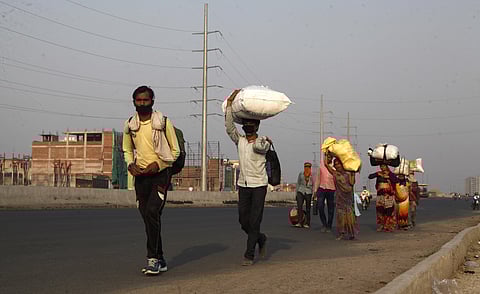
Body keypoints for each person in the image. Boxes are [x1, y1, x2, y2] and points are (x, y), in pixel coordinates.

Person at [123, 85, 180, 275]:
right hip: (141, 178)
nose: (142, 103)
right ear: (134, 102)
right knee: (149, 218)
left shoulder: (163, 122)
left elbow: (175, 151)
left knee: (152, 212)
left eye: (145, 100)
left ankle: (153, 259)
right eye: (138, 101)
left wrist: (159, 164)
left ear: (152, 101)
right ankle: (161, 258)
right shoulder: (130, 124)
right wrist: (130, 164)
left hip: (160, 176)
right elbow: (127, 150)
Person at [225, 89, 271, 266]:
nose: (248, 127)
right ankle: (261, 238)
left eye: (251, 125)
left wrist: (264, 139)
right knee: (243, 220)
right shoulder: (241, 141)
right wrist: (230, 105)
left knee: (254, 220)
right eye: (246, 125)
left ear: (257, 127)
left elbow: (260, 147)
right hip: (243, 185)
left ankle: (249, 254)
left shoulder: (263, 142)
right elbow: (230, 128)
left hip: (259, 185)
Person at [324, 155, 358, 240]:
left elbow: (352, 183)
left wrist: (353, 174)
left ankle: (351, 233)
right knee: (340, 215)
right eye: (336, 164)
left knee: (349, 215)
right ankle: (341, 233)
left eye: (339, 164)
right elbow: (326, 164)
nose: (337, 165)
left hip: (348, 197)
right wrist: (327, 154)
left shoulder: (348, 173)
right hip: (339, 197)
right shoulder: (335, 173)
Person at [368, 164, 399, 232]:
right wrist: (377, 174)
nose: (382, 167)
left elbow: (396, 180)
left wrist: (388, 177)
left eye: (384, 166)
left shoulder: (391, 174)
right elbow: (370, 176)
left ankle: (388, 225)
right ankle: (381, 225)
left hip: (388, 195)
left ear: (387, 167)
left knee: (389, 210)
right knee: (380, 210)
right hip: (380, 195)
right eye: (381, 166)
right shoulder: (379, 173)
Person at [313, 154, 336, 232]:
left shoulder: (334, 167)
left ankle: (329, 225)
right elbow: (318, 179)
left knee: (331, 208)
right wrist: (315, 191)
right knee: (320, 206)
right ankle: (324, 224)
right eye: (326, 157)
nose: (327, 158)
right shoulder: (321, 167)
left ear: (331, 158)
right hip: (322, 188)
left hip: (332, 189)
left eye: (329, 157)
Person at [294, 162, 314, 228]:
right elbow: (298, 183)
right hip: (301, 191)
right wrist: (296, 193)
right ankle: (299, 222)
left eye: (308, 167)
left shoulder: (312, 175)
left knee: (308, 208)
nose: (307, 168)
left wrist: (314, 194)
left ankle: (307, 223)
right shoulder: (301, 174)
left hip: (308, 192)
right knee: (299, 207)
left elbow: (314, 185)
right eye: (305, 167)